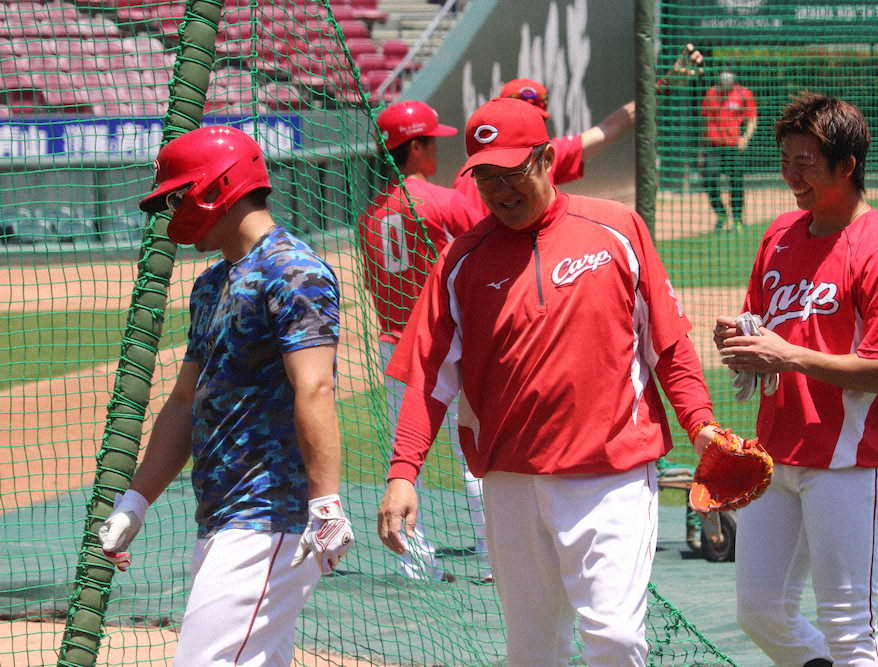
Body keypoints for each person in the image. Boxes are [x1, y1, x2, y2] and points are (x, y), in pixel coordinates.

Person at [377, 97, 724, 665]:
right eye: (486, 177)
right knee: (533, 650)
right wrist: (402, 472)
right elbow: (426, 379)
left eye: (511, 173)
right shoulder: (461, 260)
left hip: (611, 474)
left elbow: (667, 343)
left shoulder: (616, 229)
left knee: (615, 636)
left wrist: (700, 424)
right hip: (511, 480)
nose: (500, 191)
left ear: (544, 159)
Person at [97, 126, 353, 665]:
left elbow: (315, 386)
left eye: (177, 198)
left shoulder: (294, 271)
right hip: (224, 514)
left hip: (272, 517)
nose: (172, 213)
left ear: (217, 188)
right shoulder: (212, 284)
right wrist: (134, 503)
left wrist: (325, 503)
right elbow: (186, 401)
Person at [714, 93, 878, 665]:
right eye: (785, 160)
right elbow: (764, 326)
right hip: (775, 453)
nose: (791, 175)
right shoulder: (780, 233)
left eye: (805, 162)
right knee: (760, 611)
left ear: (847, 165)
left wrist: (789, 357)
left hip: (848, 462)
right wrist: (741, 341)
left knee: (849, 626)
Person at [359, 99, 487, 582]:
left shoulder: (370, 215)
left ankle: (416, 562)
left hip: (394, 347)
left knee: (405, 462)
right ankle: (494, 554)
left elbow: (374, 285)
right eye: (432, 141)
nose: (437, 149)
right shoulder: (441, 201)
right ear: (415, 147)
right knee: (474, 450)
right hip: (448, 346)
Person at [452, 76, 638, 217]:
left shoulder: (544, 154)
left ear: (547, 160)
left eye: (535, 120)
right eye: (517, 121)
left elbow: (607, 129)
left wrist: (650, 94)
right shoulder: (474, 177)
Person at [700, 67, 757, 231]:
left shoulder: (743, 94)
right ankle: (721, 214)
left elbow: (752, 119)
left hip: (733, 146)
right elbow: (704, 121)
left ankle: (737, 219)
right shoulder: (711, 94)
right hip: (713, 145)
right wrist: (701, 148)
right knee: (710, 180)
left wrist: (745, 138)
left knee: (736, 182)